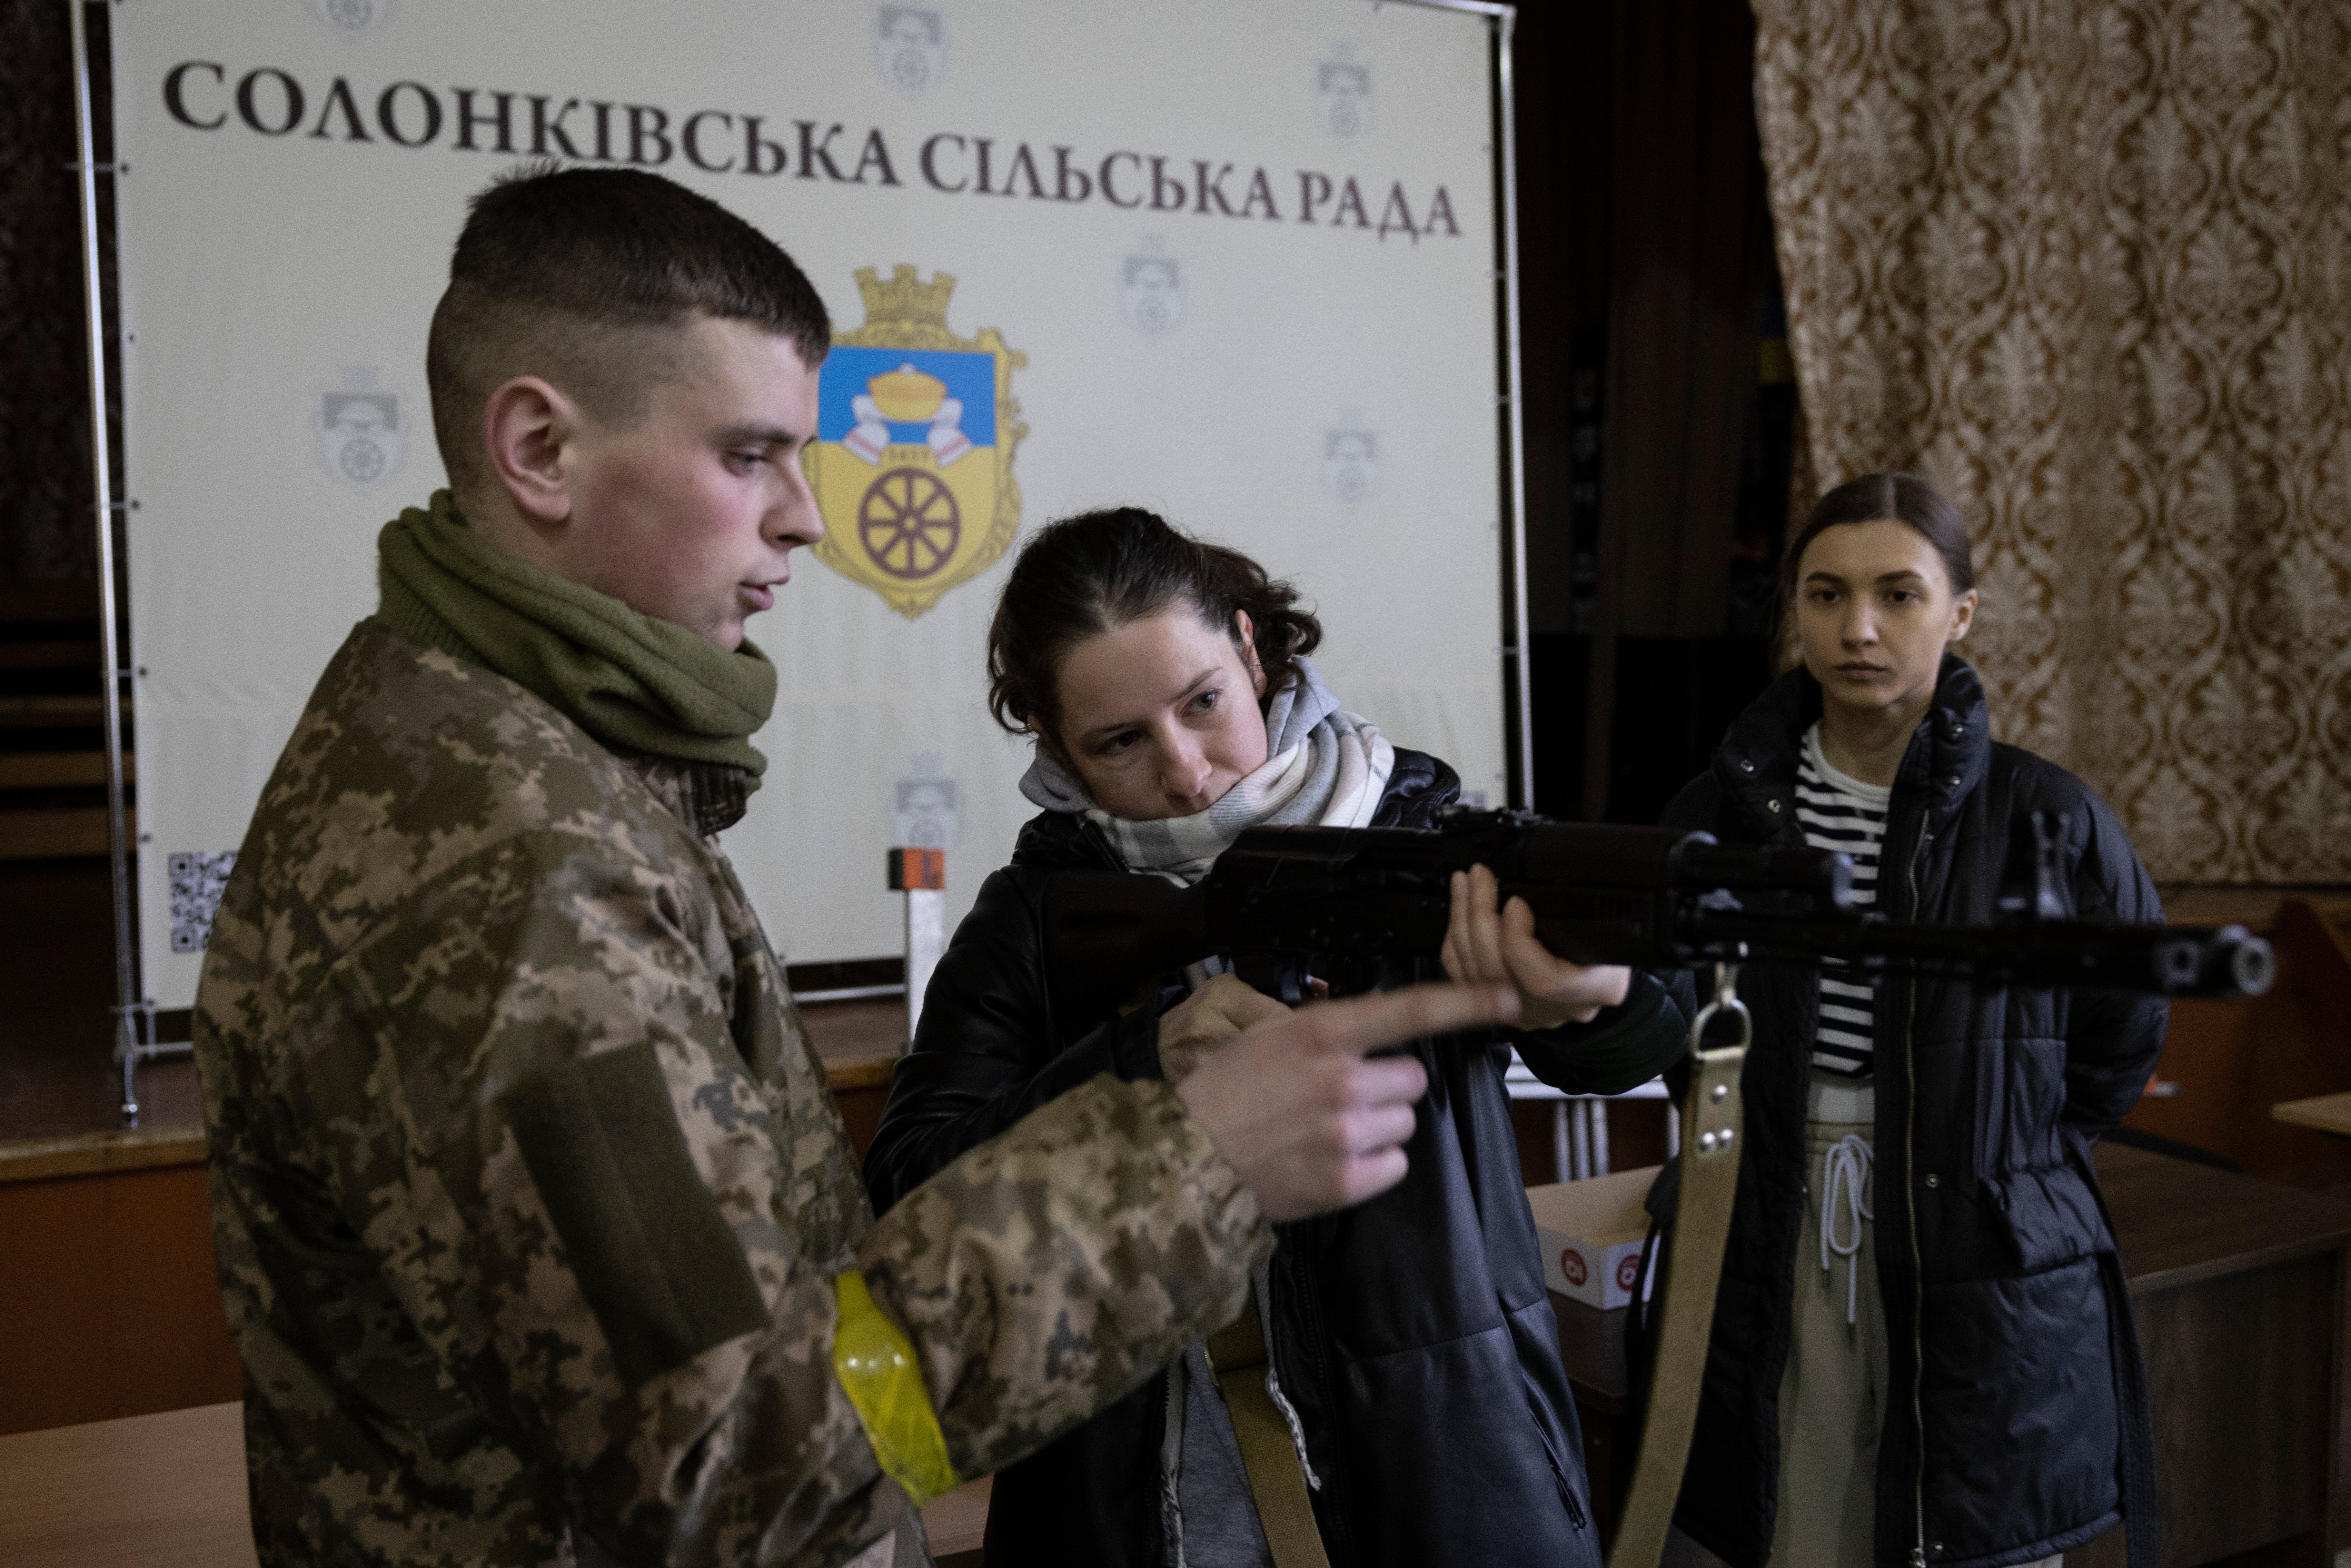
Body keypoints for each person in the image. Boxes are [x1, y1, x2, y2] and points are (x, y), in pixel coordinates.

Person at [190, 165, 1523, 1568]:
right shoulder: (508, 869)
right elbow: (732, 1465)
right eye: (749, 454)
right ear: (538, 448)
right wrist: (1192, 1160)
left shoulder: (514, 765)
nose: (807, 519)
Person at [863, 508, 1693, 1568]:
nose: (1187, 771)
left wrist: (1588, 997)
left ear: (1250, 650)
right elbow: (911, 1186)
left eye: (1202, 702)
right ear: (1052, 743)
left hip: (1449, 1462)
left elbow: (1631, 1051)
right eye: (1120, 741)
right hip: (1147, 1492)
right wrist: (1139, 1060)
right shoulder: (1035, 917)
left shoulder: (1418, 835)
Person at [1649, 473, 2164, 1568]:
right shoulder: (1717, 815)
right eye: (1826, 596)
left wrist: (2009, 1155)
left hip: (1973, 1218)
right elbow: (1672, 1023)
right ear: (1793, 606)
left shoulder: (2048, 818)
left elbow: (2122, 1030)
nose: (1859, 630)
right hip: (1776, 1203)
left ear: (1960, 613)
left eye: (1898, 595)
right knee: (1798, 1515)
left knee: (1964, 1519)